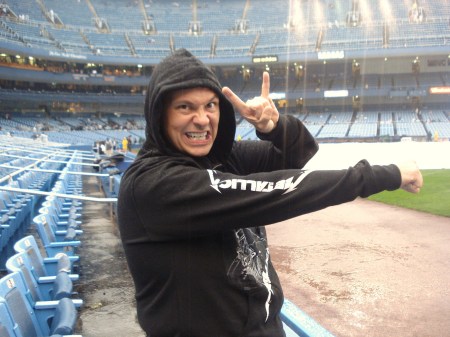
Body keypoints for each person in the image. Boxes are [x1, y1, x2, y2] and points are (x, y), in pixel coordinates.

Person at [117, 49, 422, 337]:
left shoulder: (222, 157)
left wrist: (274, 127)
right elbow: (282, 189)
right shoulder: (154, 184)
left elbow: (297, 154)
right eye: (185, 107)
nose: (202, 118)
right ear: (159, 114)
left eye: (210, 105)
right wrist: (386, 175)